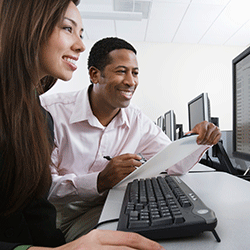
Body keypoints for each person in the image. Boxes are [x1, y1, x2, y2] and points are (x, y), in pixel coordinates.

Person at [0, 1, 165, 250]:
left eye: (81, 33)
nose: (80, 45)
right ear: (27, 26)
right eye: (68, 29)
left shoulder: (35, 115)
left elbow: (34, 213)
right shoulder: (51, 112)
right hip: (63, 218)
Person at [40, 37, 221, 241]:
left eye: (135, 73)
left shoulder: (136, 119)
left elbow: (174, 165)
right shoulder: (51, 112)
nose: (131, 81)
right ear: (94, 74)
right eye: (121, 71)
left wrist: (197, 141)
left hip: (112, 203)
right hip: (64, 216)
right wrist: (99, 181)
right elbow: (43, 187)